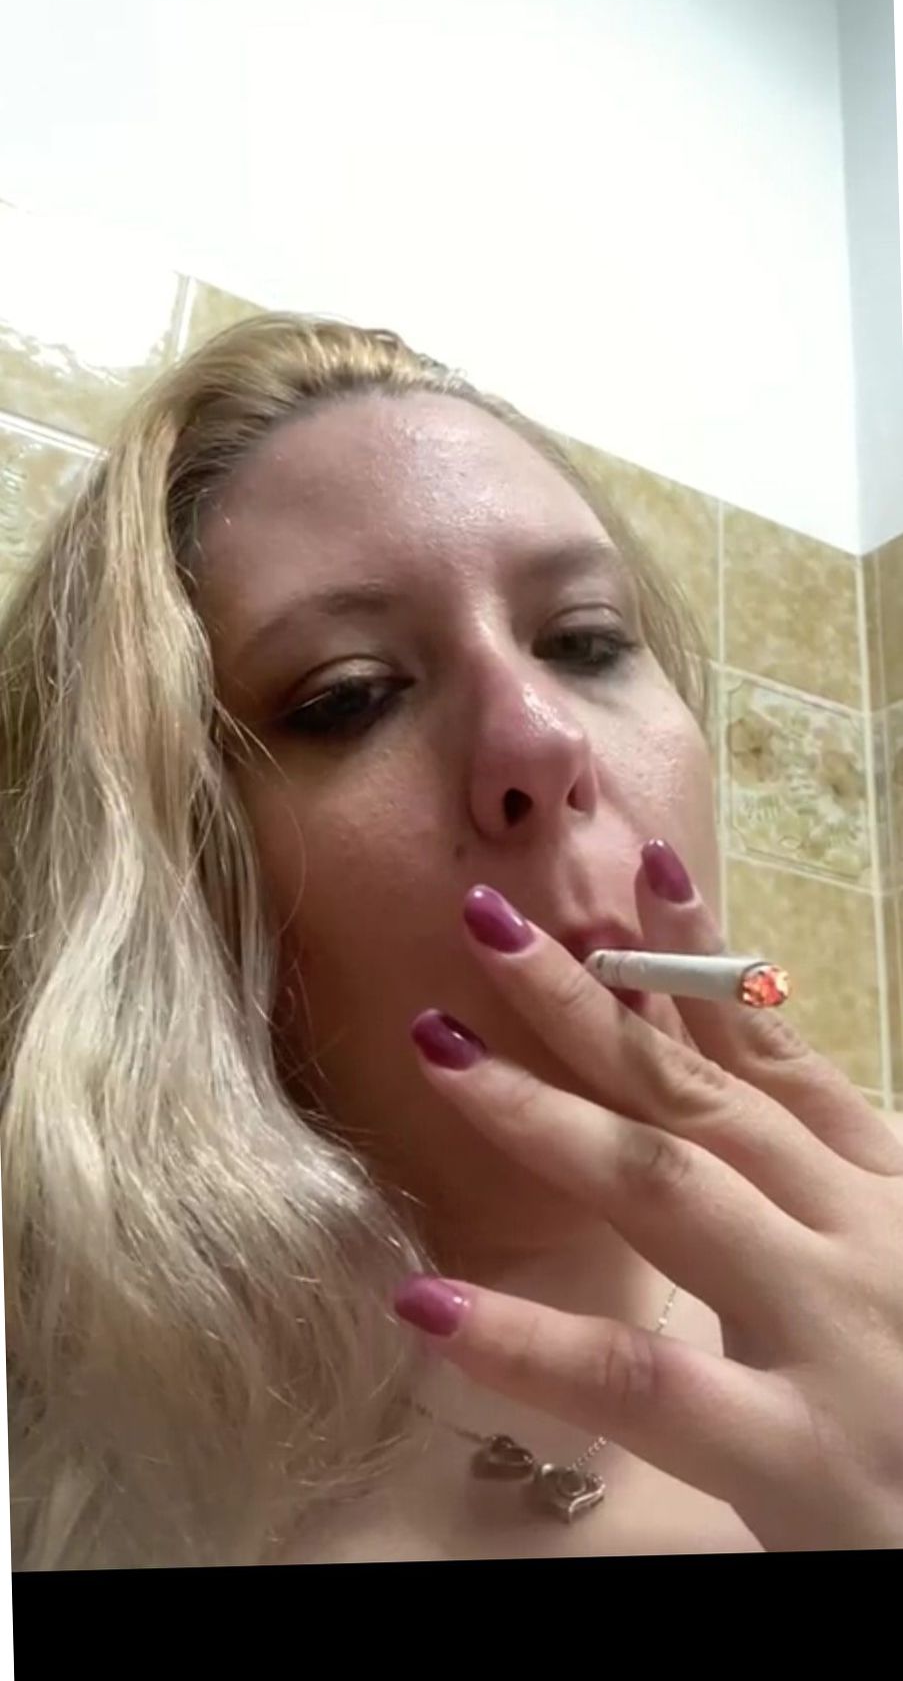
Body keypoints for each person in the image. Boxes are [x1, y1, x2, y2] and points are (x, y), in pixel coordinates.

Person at [1, 312, 901, 1570]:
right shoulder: (59, 1464)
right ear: (184, 878)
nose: (539, 738)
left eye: (586, 641)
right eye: (350, 696)